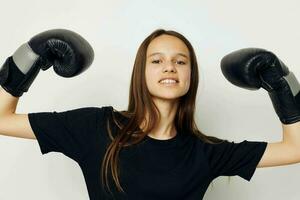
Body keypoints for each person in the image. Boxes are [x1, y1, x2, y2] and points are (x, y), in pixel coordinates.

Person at [0, 28, 299, 200]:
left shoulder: (205, 152)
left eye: (180, 62)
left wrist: (283, 84)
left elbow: (295, 149)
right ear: (140, 73)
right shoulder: (95, 127)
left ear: (190, 76)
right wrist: (28, 56)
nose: (170, 67)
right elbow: (2, 119)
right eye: (157, 60)